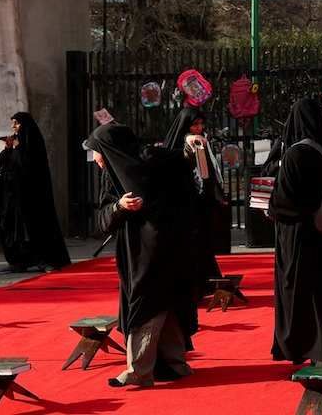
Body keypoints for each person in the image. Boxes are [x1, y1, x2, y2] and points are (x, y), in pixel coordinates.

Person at [86, 123, 193, 387]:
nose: (96, 158)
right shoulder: (113, 175)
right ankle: (173, 362)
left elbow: (186, 170)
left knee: (146, 304)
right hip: (138, 249)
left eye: (98, 151)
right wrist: (119, 207)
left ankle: (139, 370)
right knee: (161, 301)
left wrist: (192, 148)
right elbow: (101, 222)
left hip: (162, 246)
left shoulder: (155, 163)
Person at [267, 99, 322, 365]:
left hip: (300, 236)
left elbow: (286, 202)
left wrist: (270, 207)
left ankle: (299, 347)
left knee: (299, 290)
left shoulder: (295, 154)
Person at [0, 112, 71, 273]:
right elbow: (3, 165)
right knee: (14, 229)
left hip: (32, 196)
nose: (13, 126)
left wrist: (17, 147)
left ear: (25, 125)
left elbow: (30, 166)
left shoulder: (32, 142)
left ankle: (44, 260)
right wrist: (7, 149)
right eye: (12, 123)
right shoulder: (15, 143)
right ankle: (19, 261)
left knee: (36, 227)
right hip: (13, 197)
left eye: (16, 123)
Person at [163, 108, 224, 290]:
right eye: (194, 124)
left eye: (200, 124)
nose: (199, 128)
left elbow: (208, 173)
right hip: (183, 203)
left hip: (201, 202)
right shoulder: (182, 143)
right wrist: (188, 145)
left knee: (203, 244)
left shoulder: (201, 141)